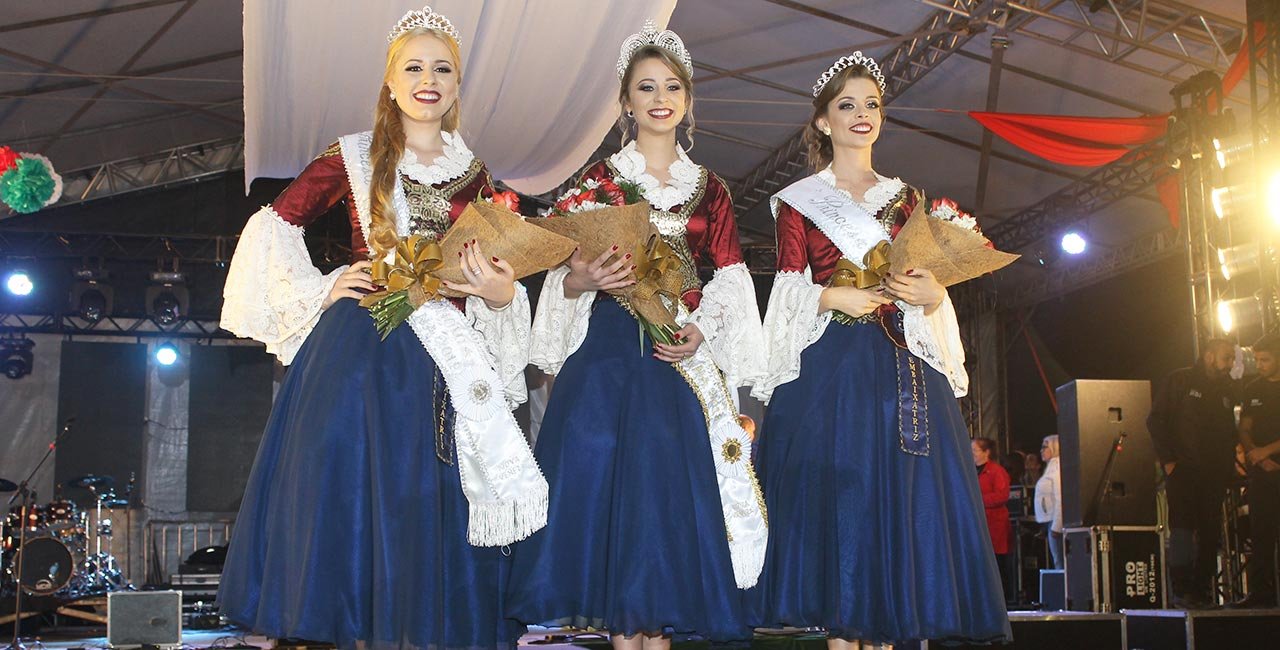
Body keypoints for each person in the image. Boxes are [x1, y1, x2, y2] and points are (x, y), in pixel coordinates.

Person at [217, 7, 545, 648]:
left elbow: (497, 274)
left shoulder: (479, 177)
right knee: (356, 501)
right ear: (390, 82)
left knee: (428, 502)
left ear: (455, 88)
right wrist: (324, 285)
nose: (429, 80)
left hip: (445, 365)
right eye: (413, 67)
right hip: (363, 357)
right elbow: (275, 225)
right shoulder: (354, 155)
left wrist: (501, 292)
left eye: (442, 69)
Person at [505, 20, 766, 648]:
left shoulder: (713, 191)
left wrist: (702, 328)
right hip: (607, 368)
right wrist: (581, 278)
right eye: (645, 87)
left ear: (688, 101)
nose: (659, 98)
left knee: (665, 523)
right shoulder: (594, 186)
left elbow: (730, 278)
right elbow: (564, 280)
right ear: (626, 102)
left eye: (672, 86)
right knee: (615, 518)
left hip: (678, 368)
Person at [747, 51, 1010, 646]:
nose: (861, 115)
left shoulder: (908, 199)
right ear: (822, 122)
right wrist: (829, 298)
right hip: (832, 379)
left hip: (901, 376)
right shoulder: (798, 202)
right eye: (846, 105)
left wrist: (932, 291)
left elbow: (924, 281)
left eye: (871, 104)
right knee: (847, 530)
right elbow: (787, 293)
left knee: (899, 536)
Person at [1146, 338, 1236, 609]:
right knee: (1183, 529)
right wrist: (1169, 461)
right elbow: (1155, 420)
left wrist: (1228, 464)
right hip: (1183, 471)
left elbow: (1229, 430)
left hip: (1214, 473)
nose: (1229, 364)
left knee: (1210, 531)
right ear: (1209, 356)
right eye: (1226, 357)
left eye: (1232, 358)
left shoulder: (1227, 388)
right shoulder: (1180, 381)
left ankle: (1201, 590)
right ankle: (1181, 589)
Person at [1235, 334, 1280, 608]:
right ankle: (1260, 592)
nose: (1260, 364)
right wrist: (1257, 455)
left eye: (1265, 360)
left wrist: (1268, 451)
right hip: (1262, 471)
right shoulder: (1253, 388)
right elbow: (1244, 427)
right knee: (1260, 531)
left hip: (1271, 459)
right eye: (1258, 359)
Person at [974, 438, 1013, 604]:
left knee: (997, 563)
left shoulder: (996, 471)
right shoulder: (970, 471)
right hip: (979, 525)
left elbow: (1002, 495)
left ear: (986, 452)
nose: (971, 454)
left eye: (975, 450)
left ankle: (1001, 598)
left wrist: (977, 499)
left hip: (995, 525)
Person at [1035, 435, 1064, 570]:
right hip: (1050, 522)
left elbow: (1061, 498)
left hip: (1055, 522)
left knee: (1059, 562)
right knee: (1057, 561)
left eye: (1044, 447)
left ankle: (1064, 590)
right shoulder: (1051, 468)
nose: (1041, 450)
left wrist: (1056, 526)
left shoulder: (1057, 469)